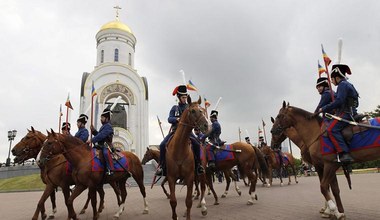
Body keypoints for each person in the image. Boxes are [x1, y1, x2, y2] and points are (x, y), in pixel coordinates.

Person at [155, 85, 205, 176]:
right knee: (162, 145)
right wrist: (176, 119)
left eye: (186, 97)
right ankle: (162, 166)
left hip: (188, 133)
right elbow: (169, 119)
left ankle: (198, 165)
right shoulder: (175, 108)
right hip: (175, 131)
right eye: (183, 97)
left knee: (197, 144)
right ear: (179, 97)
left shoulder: (189, 108)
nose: (184, 99)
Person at [316, 64, 359, 163]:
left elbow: (339, 101)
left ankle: (344, 153)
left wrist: (324, 108)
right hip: (350, 111)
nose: (331, 81)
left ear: (337, 77)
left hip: (346, 113)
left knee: (331, 129)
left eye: (332, 78)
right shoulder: (348, 84)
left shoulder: (342, 85)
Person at [88, 108, 114, 175]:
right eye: (101, 117)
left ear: (107, 118)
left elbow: (101, 136)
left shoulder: (108, 126)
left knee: (105, 153)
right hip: (100, 145)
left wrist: (91, 140)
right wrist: (93, 131)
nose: (101, 119)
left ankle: (110, 169)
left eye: (102, 117)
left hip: (106, 145)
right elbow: (99, 135)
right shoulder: (103, 126)